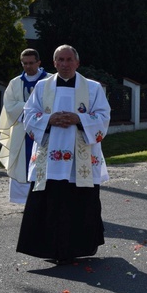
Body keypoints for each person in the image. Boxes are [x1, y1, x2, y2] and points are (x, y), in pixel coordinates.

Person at [16, 45, 110, 263]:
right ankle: (50, 249)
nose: (65, 64)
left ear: (77, 63)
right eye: (60, 60)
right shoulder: (41, 87)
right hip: (50, 160)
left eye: (69, 60)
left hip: (81, 160)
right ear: (54, 62)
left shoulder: (93, 88)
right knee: (51, 204)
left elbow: (104, 117)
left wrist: (79, 120)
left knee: (78, 204)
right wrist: (49, 119)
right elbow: (28, 115)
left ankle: (77, 248)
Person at [0, 48, 48, 203]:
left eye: (31, 63)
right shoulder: (15, 83)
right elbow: (9, 106)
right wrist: (30, 107)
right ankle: (23, 201)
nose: (28, 66)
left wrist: (28, 108)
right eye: (24, 63)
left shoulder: (51, 81)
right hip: (21, 133)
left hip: (44, 131)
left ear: (39, 63)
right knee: (22, 165)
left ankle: (44, 199)